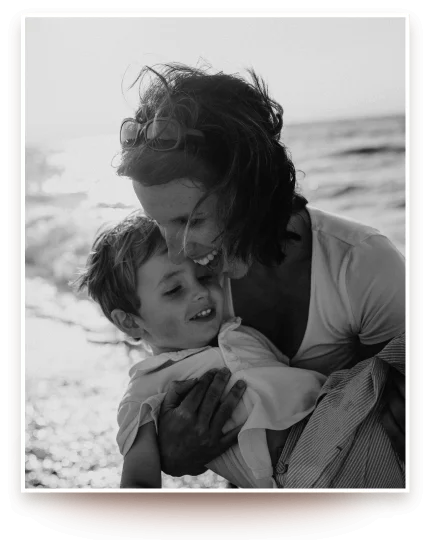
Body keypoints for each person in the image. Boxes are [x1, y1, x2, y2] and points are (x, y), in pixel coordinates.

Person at [115, 63, 406, 482]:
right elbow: (176, 387)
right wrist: (174, 455)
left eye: (191, 221)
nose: (177, 249)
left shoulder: (360, 264)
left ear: (250, 191)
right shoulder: (192, 282)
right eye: (159, 222)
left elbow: (389, 409)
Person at [75, 212, 405, 488]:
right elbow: (138, 482)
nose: (200, 292)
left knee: (406, 349)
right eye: (174, 289)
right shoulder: (147, 387)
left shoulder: (241, 332)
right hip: (305, 471)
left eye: (205, 276)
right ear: (130, 322)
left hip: (345, 419)